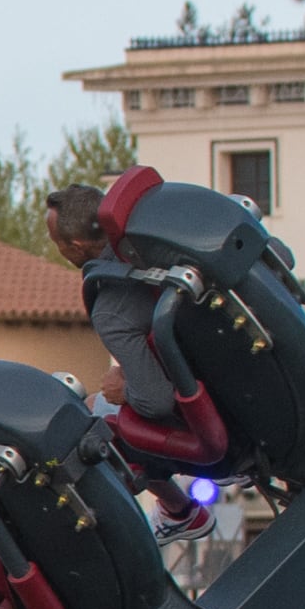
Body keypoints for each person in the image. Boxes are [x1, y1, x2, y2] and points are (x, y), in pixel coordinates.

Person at [45, 185, 203, 532]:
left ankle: (178, 512)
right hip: (241, 375)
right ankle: (179, 511)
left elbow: (156, 401)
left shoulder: (112, 309)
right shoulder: (175, 243)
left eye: (56, 243)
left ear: (76, 246)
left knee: (87, 415)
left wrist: (123, 390)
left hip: (206, 416)